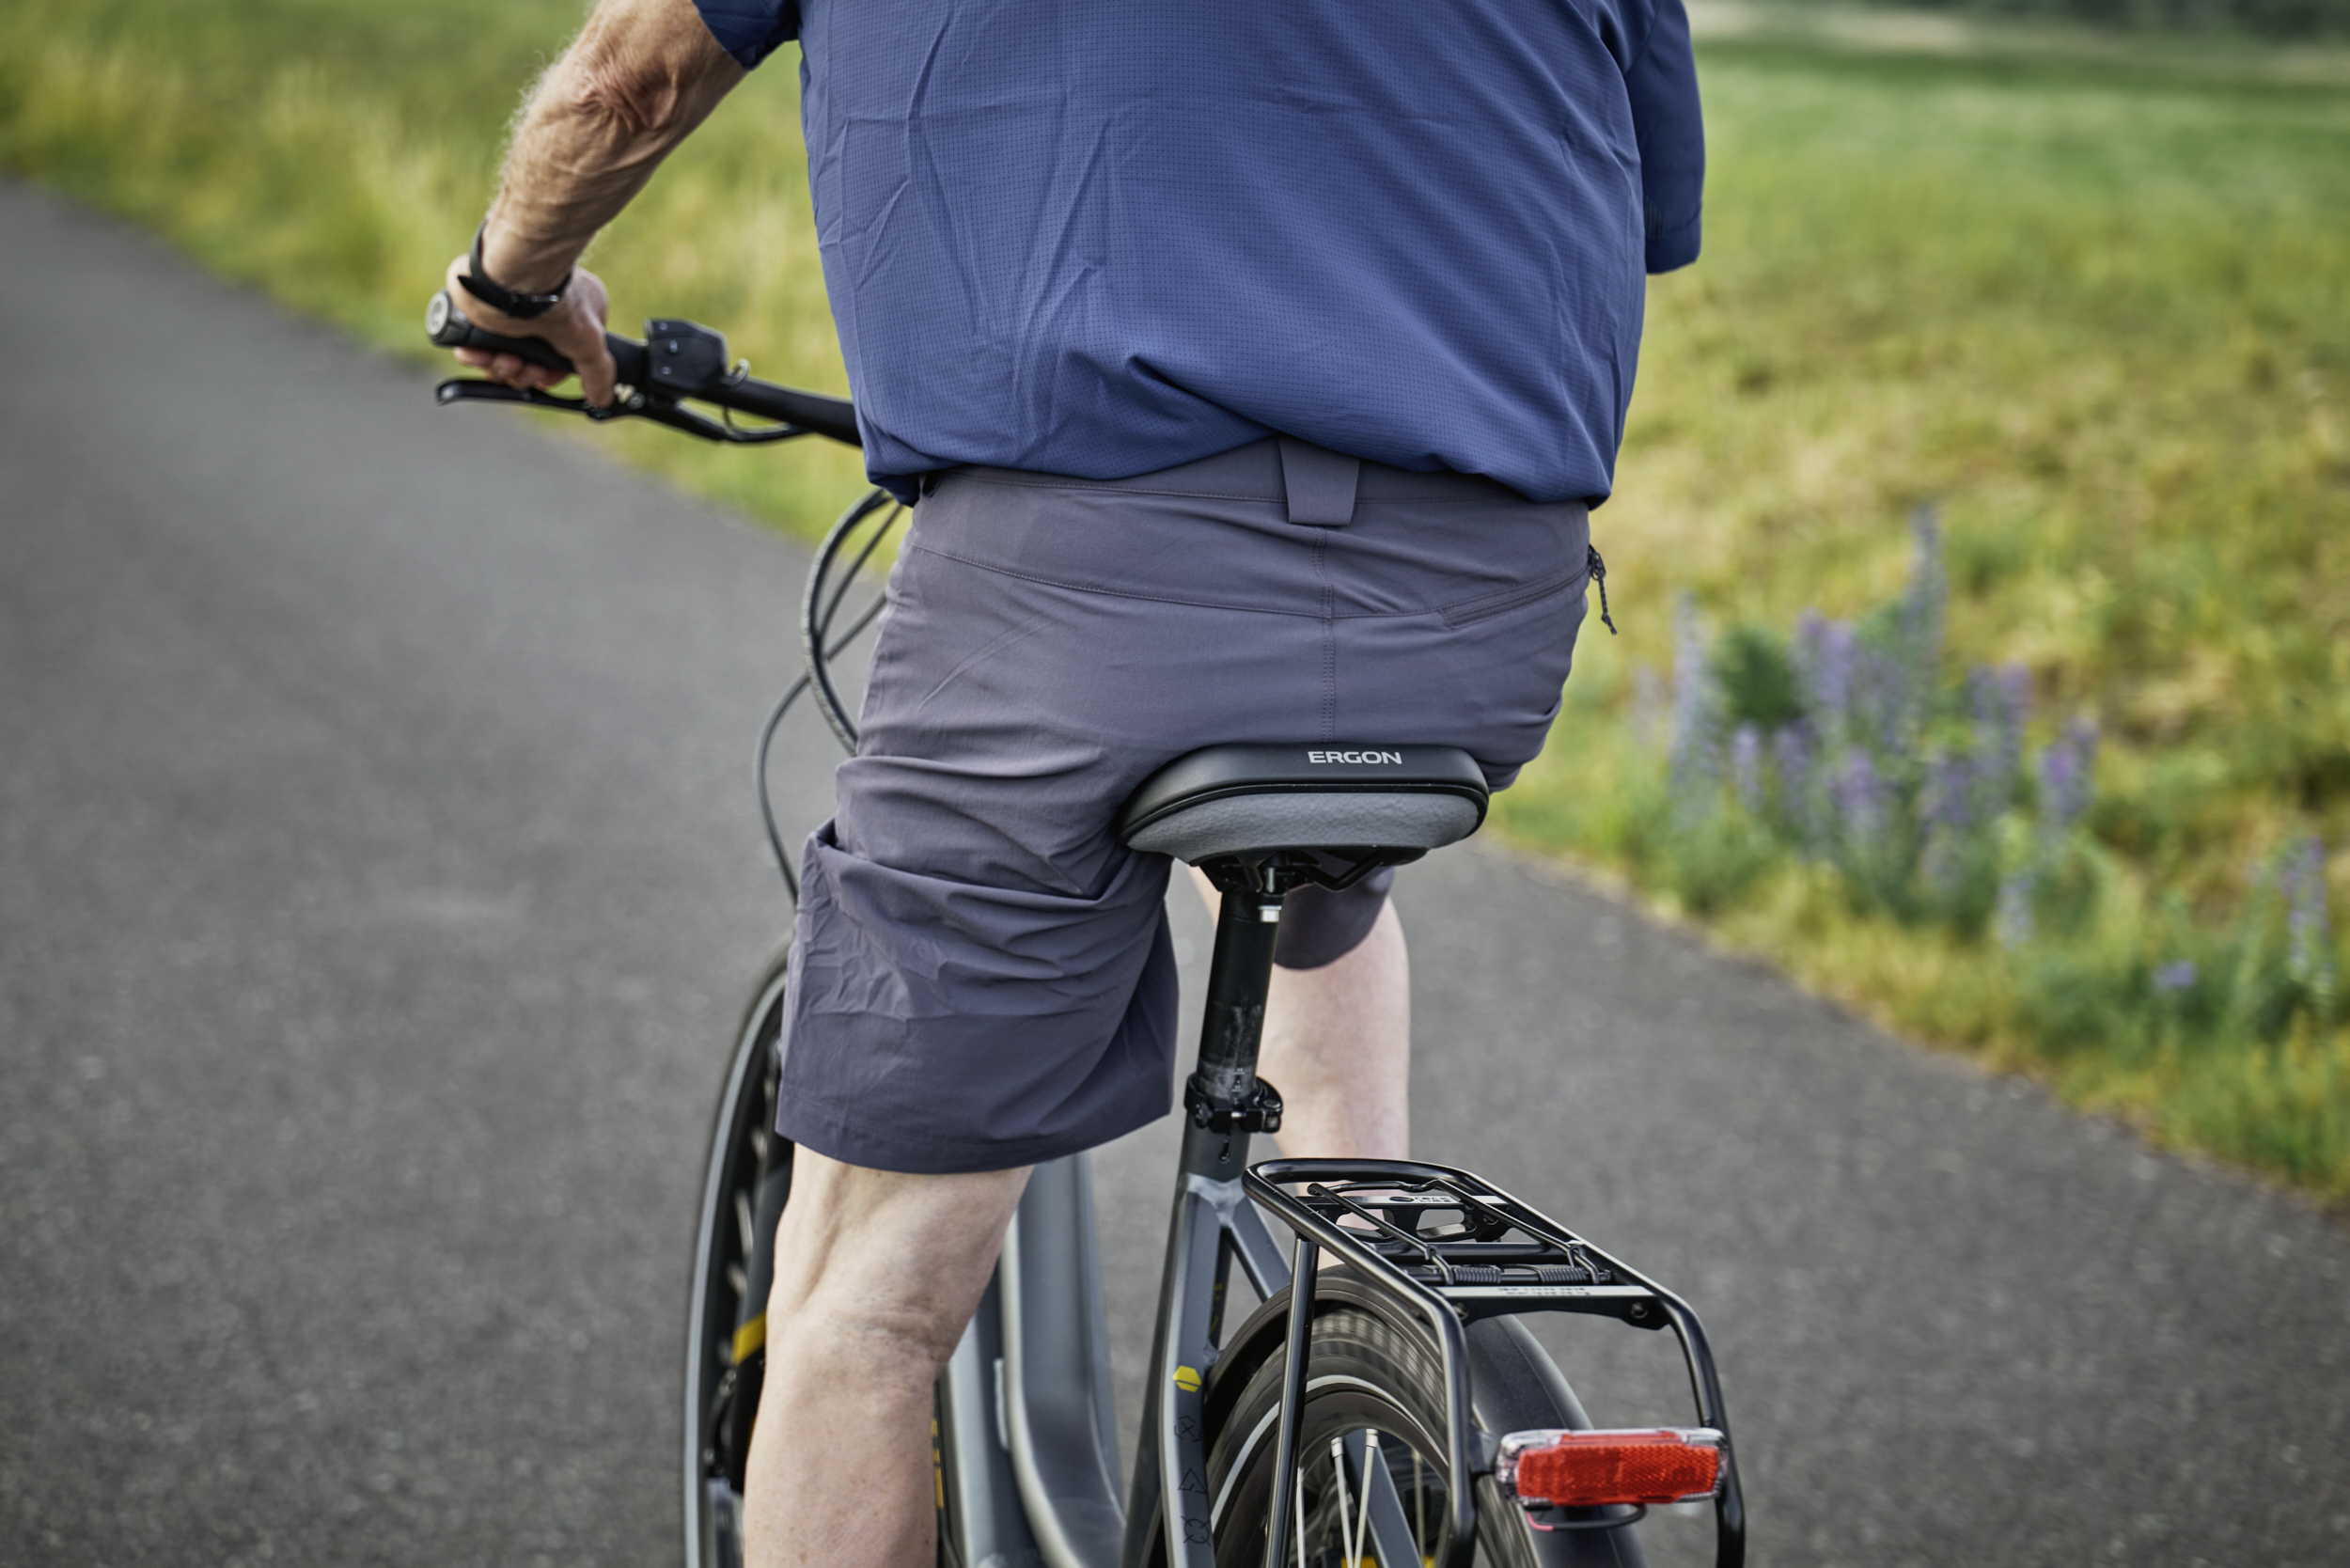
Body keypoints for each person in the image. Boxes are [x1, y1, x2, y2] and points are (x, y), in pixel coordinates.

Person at [444, 0, 1701, 1561]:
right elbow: (1642, 209)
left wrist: (511, 286)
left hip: (1082, 588)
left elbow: (629, 82)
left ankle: (1317, 1373)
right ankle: (1358, 1339)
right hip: (1479, 605)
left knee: (864, 1305)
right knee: (1320, 881)